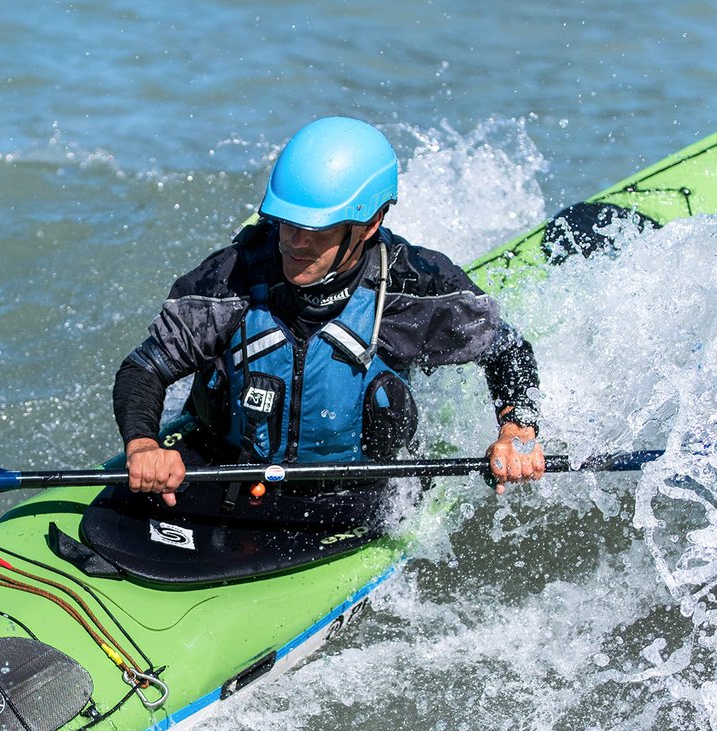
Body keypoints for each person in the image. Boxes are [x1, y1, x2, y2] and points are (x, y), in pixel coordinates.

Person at [113, 116, 544, 506]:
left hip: (358, 489)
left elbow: (507, 350)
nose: (293, 243)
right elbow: (143, 369)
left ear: (369, 224)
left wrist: (518, 432)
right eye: (285, 222)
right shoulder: (230, 279)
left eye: (314, 230)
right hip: (221, 468)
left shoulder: (412, 288)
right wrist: (143, 447)